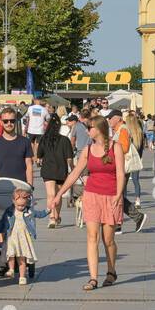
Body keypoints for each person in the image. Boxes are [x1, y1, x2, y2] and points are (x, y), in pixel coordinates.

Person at [51, 117, 124, 290]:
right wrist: (59, 194)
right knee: (92, 237)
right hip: (91, 195)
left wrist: (118, 195)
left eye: (89, 128)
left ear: (98, 129)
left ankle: (111, 271)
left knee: (108, 240)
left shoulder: (116, 147)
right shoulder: (88, 150)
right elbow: (75, 173)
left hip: (111, 196)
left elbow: (121, 173)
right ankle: (93, 278)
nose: (86, 131)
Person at [0, 187, 48, 285]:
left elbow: (39, 214)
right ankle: (11, 269)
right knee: (10, 254)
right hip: (11, 237)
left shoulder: (28, 211)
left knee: (22, 258)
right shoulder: (9, 211)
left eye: (23, 205)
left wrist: (48, 210)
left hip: (23, 238)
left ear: (26, 202)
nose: (21, 207)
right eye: (19, 205)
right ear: (13, 201)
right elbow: (2, 223)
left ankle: (22, 276)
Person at [36, 111, 75, 228]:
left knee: (50, 194)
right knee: (58, 194)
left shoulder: (44, 139)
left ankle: (51, 217)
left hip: (48, 169)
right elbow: (69, 159)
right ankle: (57, 216)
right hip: (61, 170)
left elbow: (39, 156)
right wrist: (72, 169)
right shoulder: (65, 140)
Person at [0, 106, 34, 184]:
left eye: (12, 121)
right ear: (1, 122)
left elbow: (29, 166)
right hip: (2, 186)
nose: (9, 123)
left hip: (21, 186)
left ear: (15, 121)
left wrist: (29, 185)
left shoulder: (25, 141)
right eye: (5, 121)